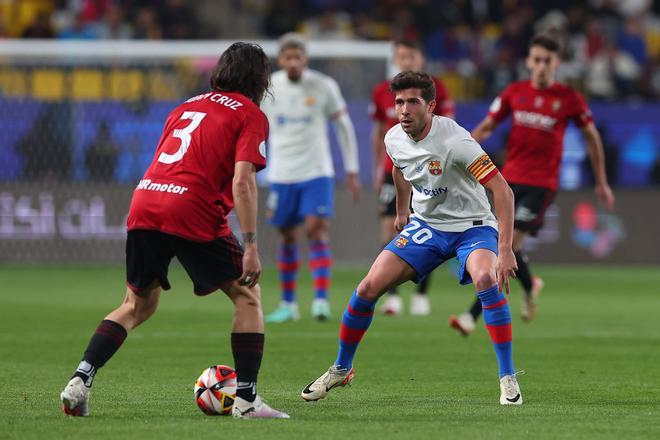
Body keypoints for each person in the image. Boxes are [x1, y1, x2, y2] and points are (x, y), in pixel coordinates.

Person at [59, 42, 289, 419]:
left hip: (146, 199)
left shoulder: (186, 105)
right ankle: (246, 402)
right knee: (248, 296)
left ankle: (80, 380)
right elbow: (243, 181)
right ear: (260, 79)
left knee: (137, 304)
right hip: (191, 206)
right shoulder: (250, 113)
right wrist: (250, 244)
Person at [300, 71, 523, 405]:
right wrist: (402, 211)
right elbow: (398, 168)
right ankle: (341, 368)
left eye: (413, 102)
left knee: (486, 278)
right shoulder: (394, 138)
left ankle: (507, 378)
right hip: (428, 226)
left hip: (472, 226)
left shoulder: (456, 142)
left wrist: (504, 249)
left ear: (431, 105)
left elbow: (502, 192)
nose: (403, 110)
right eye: (399, 102)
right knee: (367, 288)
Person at [449, 34, 615, 335]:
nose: (541, 66)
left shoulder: (569, 99)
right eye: (536, 60)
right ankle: (530, 284)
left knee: (506, 245)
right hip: (509, 181)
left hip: (542, 184)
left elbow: (592, 137)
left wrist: (601, 181)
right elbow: (487, 126)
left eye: (547, 61)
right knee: (508, 246)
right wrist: (458, 155)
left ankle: (470, 317)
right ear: (528, 61)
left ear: (556, 64)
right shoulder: (514, 92)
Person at [262, 33, 360, 323]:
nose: (293, 62)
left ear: (305, 59)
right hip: (281, 173)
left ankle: (320, 300)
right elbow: (254, 126)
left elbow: (343, 125)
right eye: (288, 57)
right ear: (280, 60)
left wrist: (352, 168)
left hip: (316, 171)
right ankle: (288, 305)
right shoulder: (269, 87)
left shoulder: (323, 86)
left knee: (316, 229)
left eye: (298, 57)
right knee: (288, 235)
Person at [370, 39, 454, 316]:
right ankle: (392, 295)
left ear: (421, 57)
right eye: (401, 56)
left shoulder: (437, 88)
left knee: (428, 232)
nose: (406, 61)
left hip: (428, 171)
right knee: (388, 230)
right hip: (391, 168)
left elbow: (448, 129)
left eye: (411, 55)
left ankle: (420, 294)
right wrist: (375, 166)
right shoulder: (382, 91)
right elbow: (379, 131)